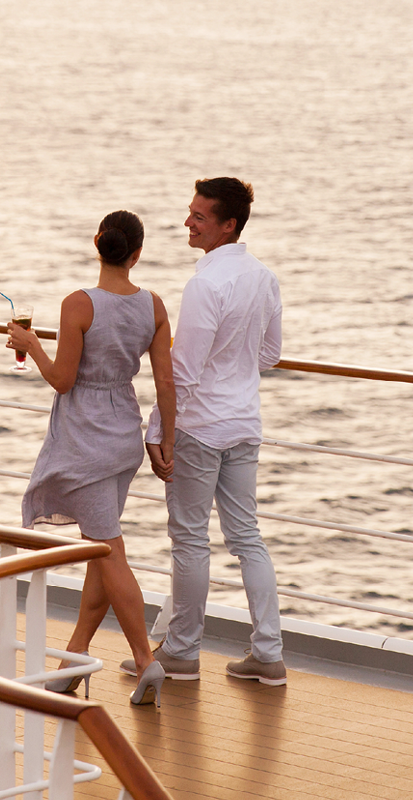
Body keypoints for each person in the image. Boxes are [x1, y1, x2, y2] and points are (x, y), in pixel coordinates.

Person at [6, 209, 177, 706]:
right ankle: (74, 657)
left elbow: (62, 380)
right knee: (98, 551)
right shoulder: (153, 305)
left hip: (86, 441)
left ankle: (144, 660)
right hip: (123, 434)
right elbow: (165, 382)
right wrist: (166, 440)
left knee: (108, 552)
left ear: (97, 243)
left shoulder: (79, 304)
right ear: (136, 254)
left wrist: (31, 344)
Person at [138, 177, 287, 686]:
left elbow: (182, 372)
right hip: (243, 423)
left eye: (199, 217)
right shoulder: (264, 277)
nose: (187, 222)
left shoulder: (205, 285)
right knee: (247, 538)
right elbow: (270, 354)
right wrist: (234, 371)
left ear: (228, 225)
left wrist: (158, 430)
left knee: (189, 539)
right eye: (190, 212)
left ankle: (182, 651)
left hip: (199, 428)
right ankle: (268, 653)